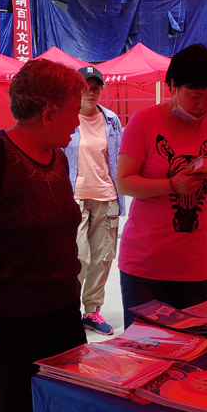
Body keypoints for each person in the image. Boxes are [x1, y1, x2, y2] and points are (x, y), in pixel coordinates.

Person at [0, 59, 88, 412]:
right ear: (49, 113)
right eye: (75, 111)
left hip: (64, 311)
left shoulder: (57, 158)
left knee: (69, 408)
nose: (78, 121)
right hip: (12, 320)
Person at [116, 44, 207, 329]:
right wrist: (172, 185)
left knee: (191, 344)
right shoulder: (144, 121)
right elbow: (124, 182)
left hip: (194, 262)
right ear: (172, 85)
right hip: (145, 263)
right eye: (195, 96)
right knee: (144, 345)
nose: (203, 106)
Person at [63, 65, 125, 336]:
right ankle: (67, 309)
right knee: (78, 257)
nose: (92, 93)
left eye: (96, 88)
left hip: (106, 195)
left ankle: (91, 312)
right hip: (74, 198)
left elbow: (119, 157)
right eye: (86, 88)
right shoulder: (65, 116)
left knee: (103, 257)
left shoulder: (111, 120)